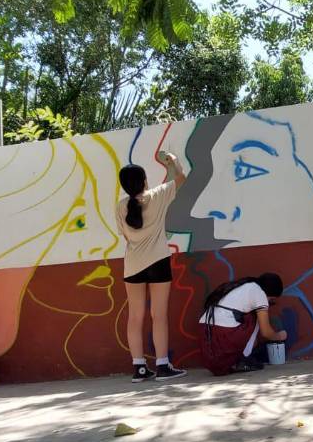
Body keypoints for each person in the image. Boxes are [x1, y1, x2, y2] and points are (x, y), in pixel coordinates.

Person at [116, 152, 188, 382]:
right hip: (158, 261)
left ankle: (139, 368)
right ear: (144, 180)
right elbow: (181, 178)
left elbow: (126, 238)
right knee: (159, 315)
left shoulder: (120, 206)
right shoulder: (157, 196)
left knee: (135, 317)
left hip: (133, 265)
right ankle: (163, 365)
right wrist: (172, 160)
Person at [199, 273, 288, 375]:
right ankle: (244, 359)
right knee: (256, 316)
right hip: (223, 334)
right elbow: (266, 332)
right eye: (271, 300)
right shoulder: (259, 294)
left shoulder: (243, 286)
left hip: (206, 334)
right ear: (269, 292)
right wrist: (279, 336)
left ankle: (231, 363)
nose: (269, 303)